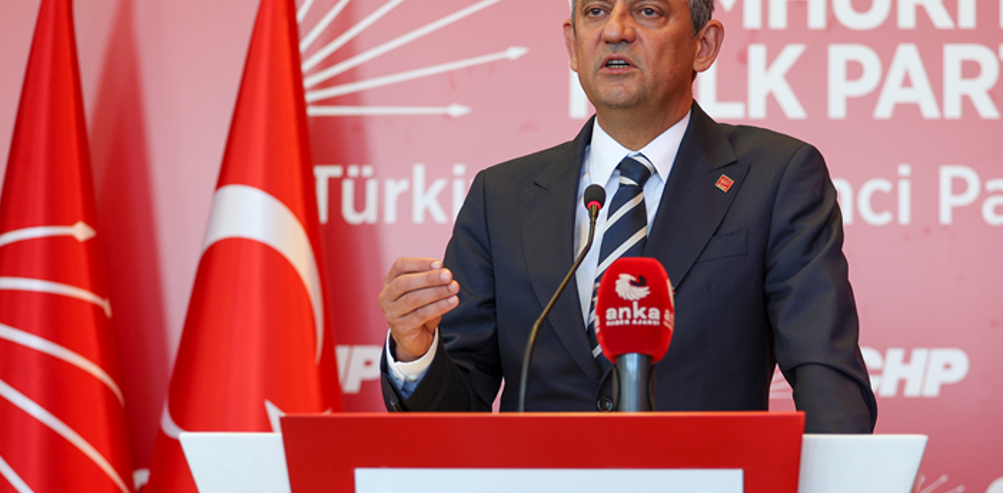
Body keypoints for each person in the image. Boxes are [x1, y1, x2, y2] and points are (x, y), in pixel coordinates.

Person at [376, 0, 877, 433]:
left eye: (647, 10)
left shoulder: (774, 178)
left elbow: (826, 375)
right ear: (573, 45)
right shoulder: (501, 196)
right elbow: (457, 414)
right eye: (596, 11)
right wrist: (416, 350)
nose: (615, 30)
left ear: (704, 45)